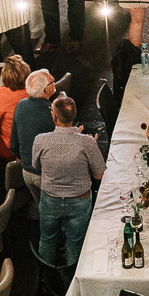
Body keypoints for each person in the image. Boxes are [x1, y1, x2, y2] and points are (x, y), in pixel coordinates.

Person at [32, 94, 106, 277]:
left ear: (54, 116)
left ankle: (47, 282)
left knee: (48, 240)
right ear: (74, 115)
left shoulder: (41, 140)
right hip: (79, 201)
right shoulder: (87, 142)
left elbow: (36, 166)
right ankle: (73, 283)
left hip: (50, 199)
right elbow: (99, 174)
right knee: (75, 243)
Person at [10, 68, 56, 206]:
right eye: (52, 81)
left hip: (26, 172)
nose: (54, 81)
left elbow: (14, 139)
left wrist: (19, 155)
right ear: (46, 91)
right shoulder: (53, 113)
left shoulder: (21, 105)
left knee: (42, 206)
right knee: (54, 211)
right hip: (46, 175)